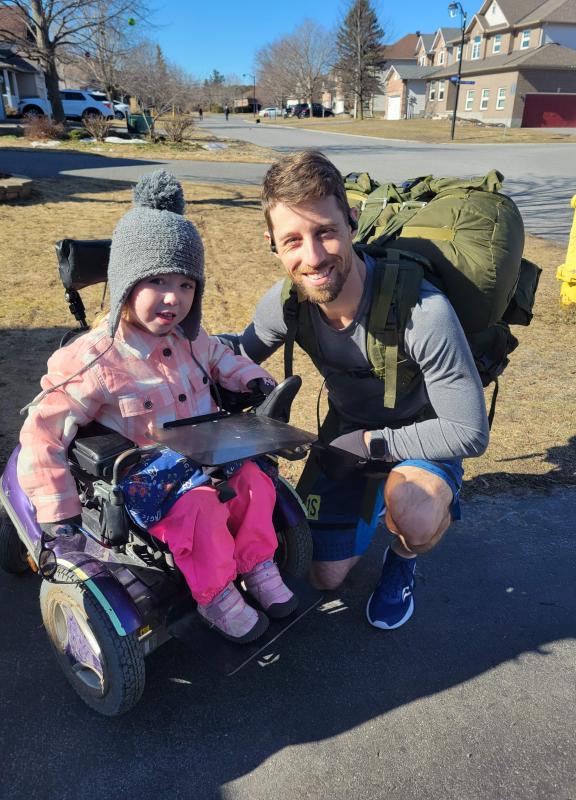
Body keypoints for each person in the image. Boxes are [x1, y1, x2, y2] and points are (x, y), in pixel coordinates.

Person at [17, 170, 298, 645]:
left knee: (255, 482)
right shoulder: (95, 359)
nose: (174, 298)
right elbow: (42, 430)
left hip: (207, 453)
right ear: (126, 282)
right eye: (158, 281)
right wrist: (57, 508)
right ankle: (216, 595)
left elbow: (223, 358)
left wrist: (253, 380)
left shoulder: (191, 338)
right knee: (200, 508)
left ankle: (257, 564)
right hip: (148, 478)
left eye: (186, 284)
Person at [220, 150, 490, 631]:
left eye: (325, 231)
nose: (313, 257)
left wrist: (369, 445)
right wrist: (149, 338)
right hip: (346, 434)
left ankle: (402, 555)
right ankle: (374, 499)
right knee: (323, 576)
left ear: (351, 220)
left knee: (415, 515)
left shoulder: (424, 312)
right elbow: (235, 355)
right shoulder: (285, 303)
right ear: (272, 244)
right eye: (293, 240)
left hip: (424, 434)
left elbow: (468, 431)